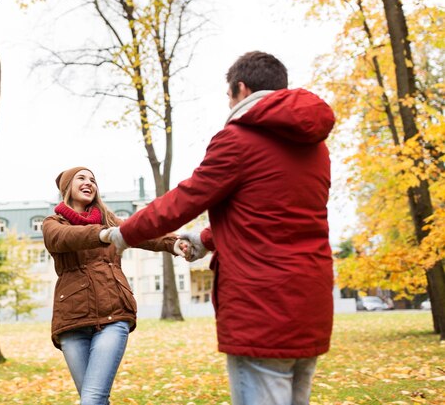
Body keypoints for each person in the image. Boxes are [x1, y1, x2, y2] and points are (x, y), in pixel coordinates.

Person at [103, 51, 336, 405]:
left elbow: (186, 198)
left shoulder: (239, 140)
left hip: (262, 306)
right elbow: (272, 216)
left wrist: (124, 234)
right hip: (310, 300)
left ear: (240, 89)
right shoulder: (316, 147)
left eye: (228, 95)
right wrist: (205, 239)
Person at [42, 166, 180, 405]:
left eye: (93, 180)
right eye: (81, 178)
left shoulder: (110, 220)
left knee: (92, 399)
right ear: (67, 187)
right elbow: (63, 238)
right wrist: (104, 235)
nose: (89, 183)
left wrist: (173, 244)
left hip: (113, 315)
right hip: (72, 321)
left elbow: (140, 232)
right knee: (93, 398)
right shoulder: (52, 223)